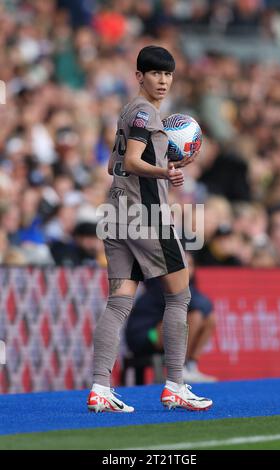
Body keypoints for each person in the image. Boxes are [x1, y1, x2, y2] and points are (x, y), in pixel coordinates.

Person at [87, 45, 213, 413]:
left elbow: (114, 167)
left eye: (167, 74)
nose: (162, 80)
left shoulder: (129, 111)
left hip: (116, 214)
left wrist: (164, 159)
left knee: (119, 303)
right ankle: (175, 383)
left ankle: (99, 387)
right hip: (145, 215)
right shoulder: (144, 112)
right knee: (179, 297)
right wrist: (167, 171)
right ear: (139, 75)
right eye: (155, 73)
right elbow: (131, 161)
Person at [125, 252, 217, 383]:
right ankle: (179, 368)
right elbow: (202, 304)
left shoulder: (187, 287)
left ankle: (191, 366)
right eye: (183, 265)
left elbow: (206, 306)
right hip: (145, 336)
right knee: (194, 317)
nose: (186, 269)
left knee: (210, 318)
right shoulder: (162, 283)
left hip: (160, 332)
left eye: (190, 265)